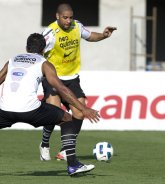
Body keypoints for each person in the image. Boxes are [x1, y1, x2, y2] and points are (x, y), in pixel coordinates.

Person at [0, 33, 100, 179]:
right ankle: (72, 164)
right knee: (67, 118)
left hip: (4, 109)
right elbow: (61, 89)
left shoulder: (12, 60)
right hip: (30, 110)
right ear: (43, 49)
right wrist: (83, 108)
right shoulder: (44, 63)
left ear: (26, 47)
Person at [39, 3, 116, 162]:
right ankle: (44, 144)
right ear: (57, 16)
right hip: (53, 79)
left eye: (70, 17)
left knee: (80, 112)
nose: (68, 21)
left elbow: (90, 36)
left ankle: (66, 150)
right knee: (54, 113)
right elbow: (37, 52)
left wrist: (104, 35)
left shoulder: (77, 26)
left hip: (72, 78)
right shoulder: (50, 33)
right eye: (65, 17)